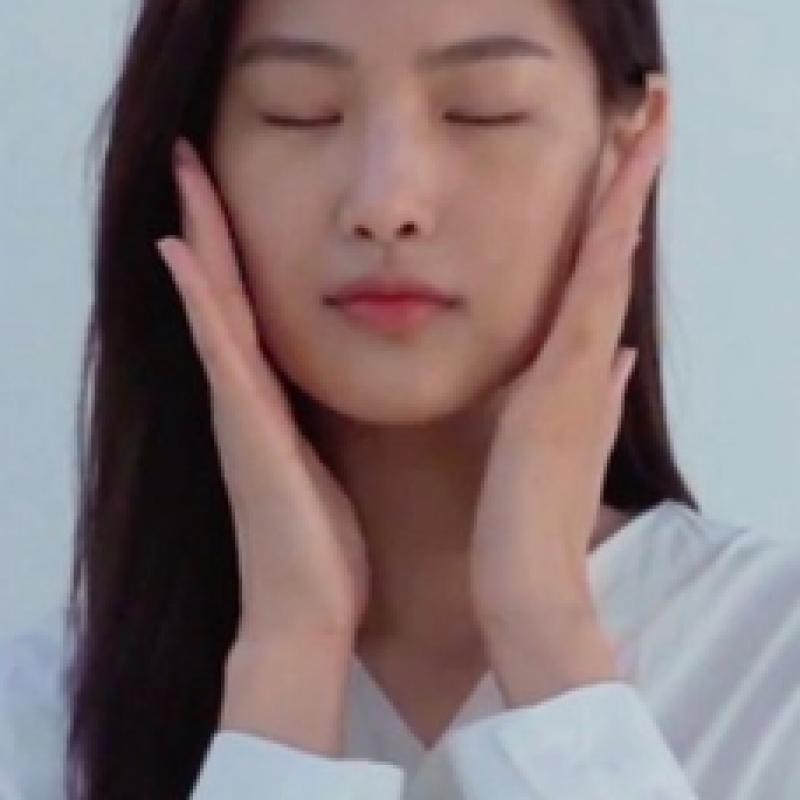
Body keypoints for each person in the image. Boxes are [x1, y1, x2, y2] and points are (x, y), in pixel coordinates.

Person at [1, 0, 799, 798]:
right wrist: (286, 666)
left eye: (484, 110)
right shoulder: (37, 725)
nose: (386, 204)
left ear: (629, 141)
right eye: (299, 112)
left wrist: (548, 637)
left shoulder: (772, 663)